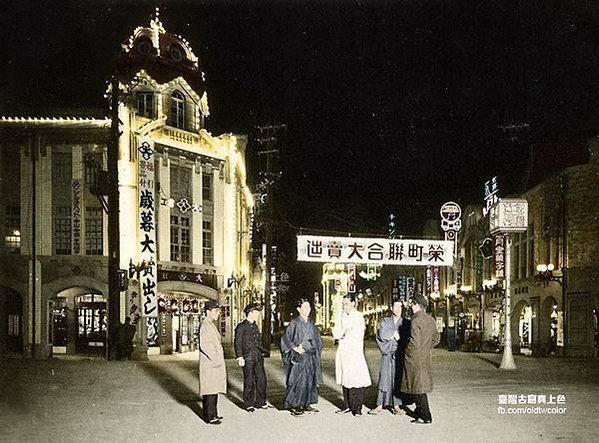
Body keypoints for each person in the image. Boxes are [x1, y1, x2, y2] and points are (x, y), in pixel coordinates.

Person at [401, 293, 440, 424]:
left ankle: (425, 416)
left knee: (418, 387)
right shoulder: (430, 319)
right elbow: (436, 338)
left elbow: (414, 342)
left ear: (417, 305)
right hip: (425, 357)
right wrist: (427, 347)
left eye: (412, 304)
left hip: (414, 358)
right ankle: (419, 411)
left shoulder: (415, 320)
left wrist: (407, 350)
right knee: (420, 385)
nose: (411, 307)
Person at [280, 298, 323, 416]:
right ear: (299, 309)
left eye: (309, 307)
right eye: (304, 307)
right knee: (298, 380)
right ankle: (295, 404)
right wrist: (295, 348)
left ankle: (306, 403)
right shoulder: (294, 323)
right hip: (299, 356)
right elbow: (285, 338)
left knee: (310, 380)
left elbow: (317, 339)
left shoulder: (311, 323)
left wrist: (315, 347)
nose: (307, 309)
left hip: (310, 355)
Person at [332, 294, 372, 416]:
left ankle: (357, 408)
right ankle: (347, 405)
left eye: (346, 303)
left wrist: (344, 333)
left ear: (353, 303)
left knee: (356, 380)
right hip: (343, 351)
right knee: (345, 378)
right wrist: (343, 332)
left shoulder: (358, 316)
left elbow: (355, 334)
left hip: (354, 352)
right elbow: (336, 332)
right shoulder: (341, 316)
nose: (344, 306)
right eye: (343, 303)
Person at [369, 298, 410, 416]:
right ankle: (380, 404)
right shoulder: (386, 321)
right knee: (384, 379)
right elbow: (382, 334)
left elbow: (406, 339)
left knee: (397, 380)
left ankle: (396, 406)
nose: (398, 309)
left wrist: (395, 337)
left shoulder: (406, 323)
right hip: (387, 356)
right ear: (391, 308)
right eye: (395, 307)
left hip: (399, 356)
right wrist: (394, 334)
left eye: (400, 307)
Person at [234, 303, 269, 412]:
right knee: (249, 380)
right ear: (250, 313)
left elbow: (257, 341)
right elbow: (238, 342)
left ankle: (260, 402)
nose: (258, 315)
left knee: (261, 379)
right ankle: (248, 403)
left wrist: (262, 351)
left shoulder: (254, 326)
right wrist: (239, 357)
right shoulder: (241, 327)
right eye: (257, 313)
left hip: (257, 356)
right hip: (247, 357)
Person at [199, 300, 227, 425]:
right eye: (215, 311)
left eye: (218, 311)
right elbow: (205, 345)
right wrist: (215, 359)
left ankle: (213, 413)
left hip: (213, 363)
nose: (218, 313)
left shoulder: (210, 324)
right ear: (207, 312)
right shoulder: (205, 325)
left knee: (213, 388)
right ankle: (210, 416)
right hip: (210, 363)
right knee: (210, 389)